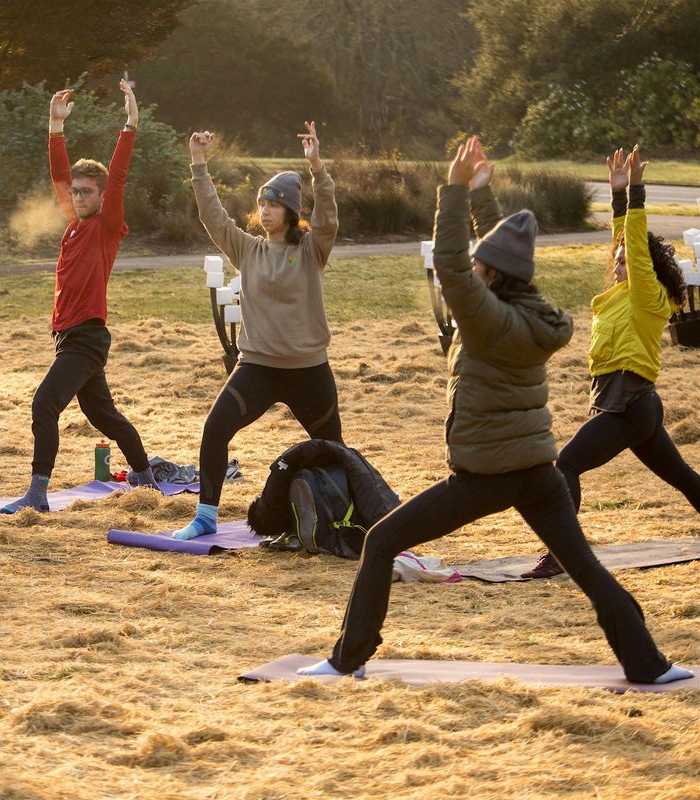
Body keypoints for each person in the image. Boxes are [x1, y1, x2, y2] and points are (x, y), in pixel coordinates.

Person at [296, 137, 692, 686]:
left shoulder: (487, 320)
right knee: (590, 571)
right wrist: (484, 198)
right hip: (538, 474)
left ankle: (347, 659)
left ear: (488, 277)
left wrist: (455, 191)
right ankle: (650, 665)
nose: (475, 269)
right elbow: (501, 255)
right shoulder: (530, 310)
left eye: (482, 266)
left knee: (381, 541)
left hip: (487, 476)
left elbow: (450, 263)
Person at [523, 146, 700, 578]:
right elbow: (625, 244)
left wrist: (637, 194)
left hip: (629, 404)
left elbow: (635, 249)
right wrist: (618, 195)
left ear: (646, 269)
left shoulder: (648, 296)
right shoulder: (622, 293)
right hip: (632, 404)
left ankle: (562, 555)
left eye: (624, 263)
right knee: (682, 478)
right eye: (618, 262)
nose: (617, 265)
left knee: (565, 465)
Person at [173, 123, 342, 540]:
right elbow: (213, 218)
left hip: (309, 370)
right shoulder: (249, 249)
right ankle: (206, 516)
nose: (265, 210)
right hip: (258, 368)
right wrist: (198, 164)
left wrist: (318, 168)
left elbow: (327, 219)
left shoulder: (310, 250)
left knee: (334, 451)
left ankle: (341, 518)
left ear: (290, 211)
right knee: (215, 430)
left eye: (274, 204)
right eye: (262, 202)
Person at [0, 80, 158, 514]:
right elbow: (58, 177)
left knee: (44, 404)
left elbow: (119, 174)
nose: (78, 196)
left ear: (103, 197)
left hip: (87, 337)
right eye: (77, 191)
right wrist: (54, 127)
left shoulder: (106, 225)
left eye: (87, 191)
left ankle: (36, 495)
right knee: (104, 417)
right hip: (68, 337)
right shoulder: (73, 224)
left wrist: (130, 124)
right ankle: (146, 480)